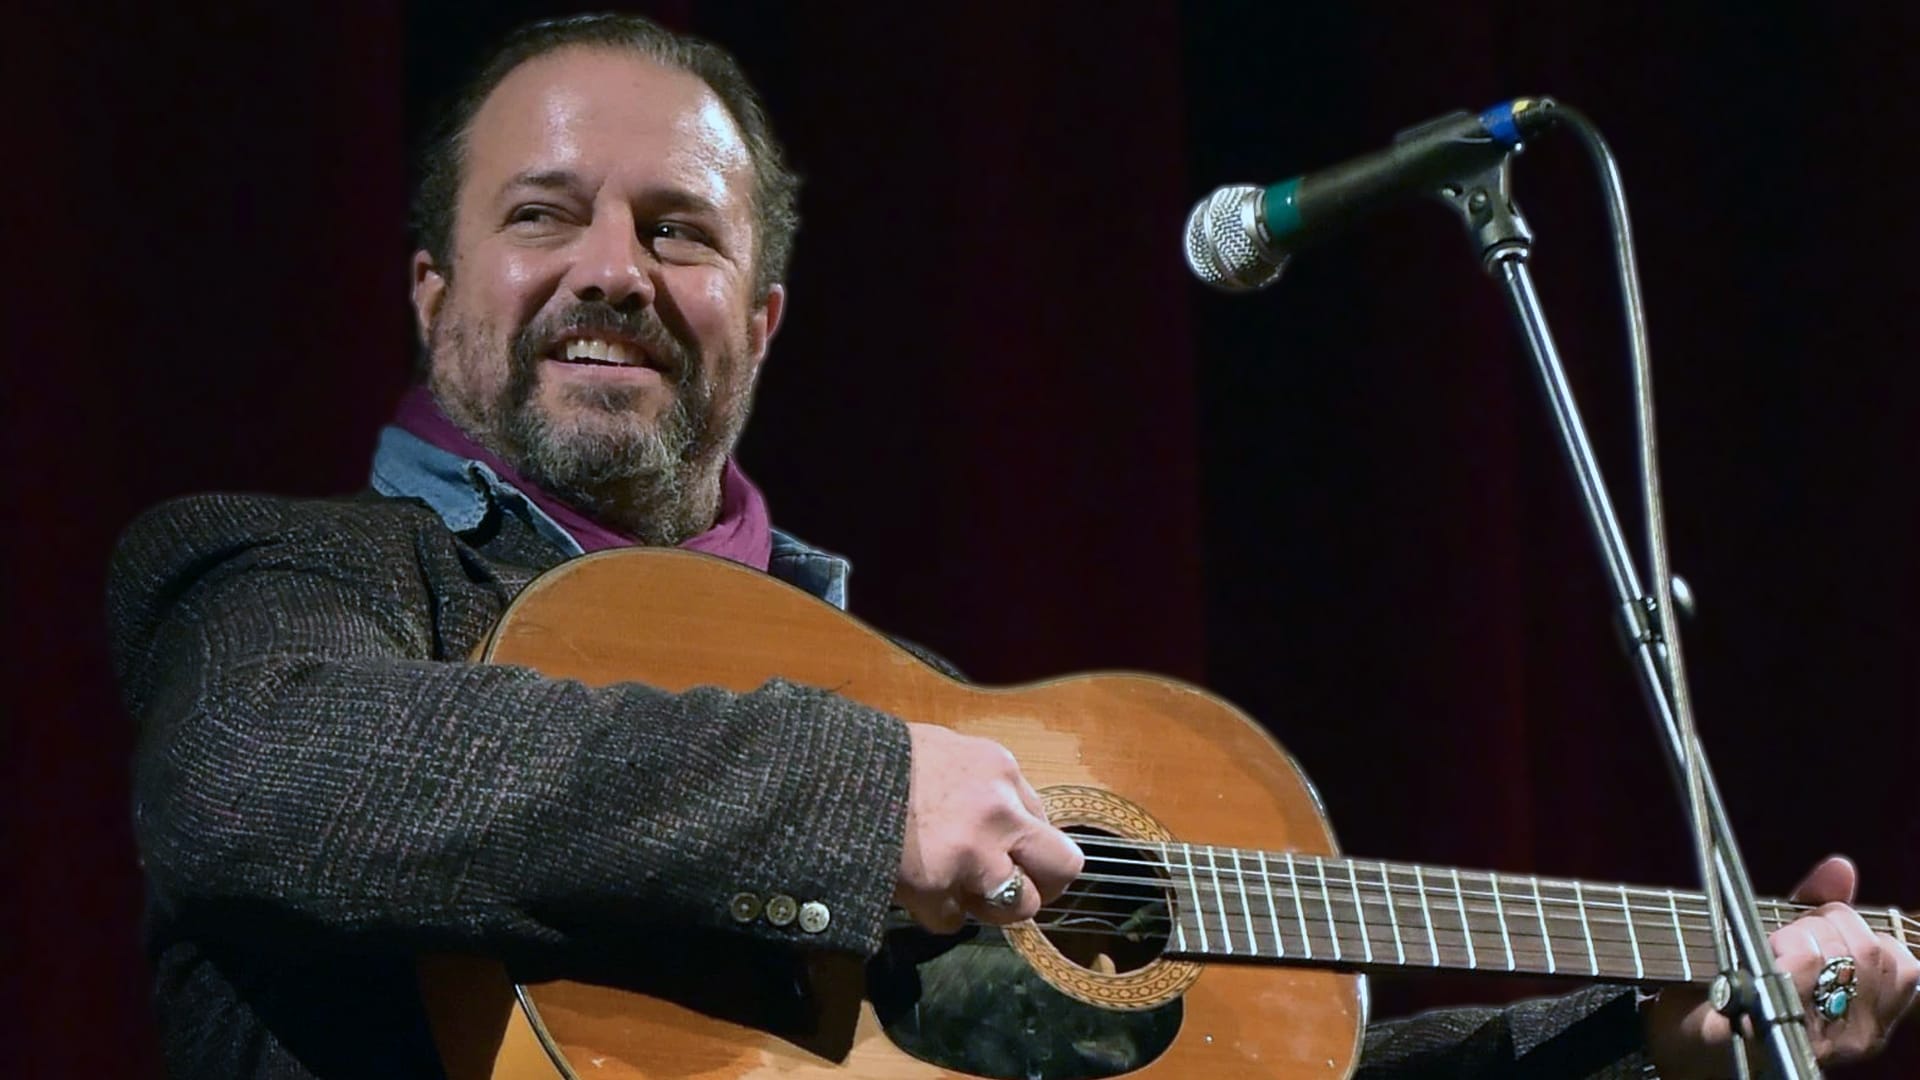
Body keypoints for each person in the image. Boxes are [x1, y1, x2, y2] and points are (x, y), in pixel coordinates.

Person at [106, 13, 1915, 1079]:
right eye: (543, 216)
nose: (613, 271)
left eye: (681, 231)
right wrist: (856, 793)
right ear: (434, 290)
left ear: (762, 315)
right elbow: (269, 774)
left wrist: (1650, 1025)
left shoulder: (886, 696)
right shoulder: (285, 571)